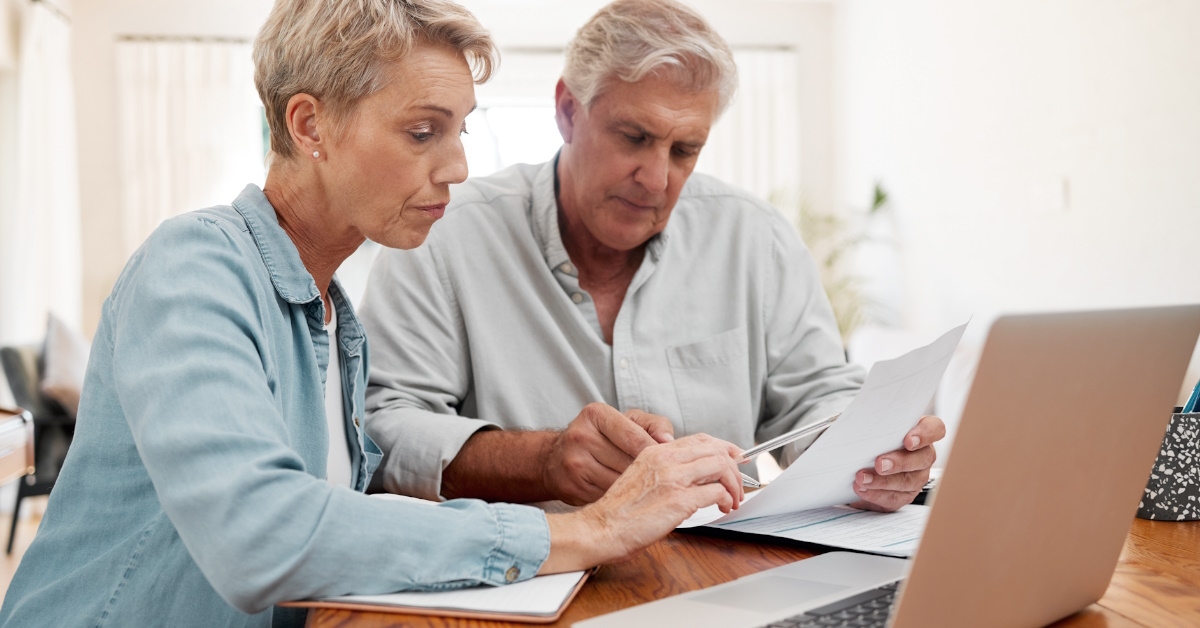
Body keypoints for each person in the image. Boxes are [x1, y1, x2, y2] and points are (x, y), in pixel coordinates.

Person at [0, 1, 746, 626]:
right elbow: (259, 534)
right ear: (309, 126)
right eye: (423, 132)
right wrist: (589, 530)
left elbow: (343, 527)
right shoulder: (195, 267)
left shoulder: (334, 316)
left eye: (460, 131)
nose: (456, 166)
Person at [360, 0, 945, 511]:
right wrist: (544, 460)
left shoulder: (754, 238)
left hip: (720, 570)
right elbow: (383, 430)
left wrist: (873, 454)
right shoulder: (444, 236)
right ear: (567, 110)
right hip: (530, 569)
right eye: (634, 137)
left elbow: (819, 398)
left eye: (685, 149)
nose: (657, 178)